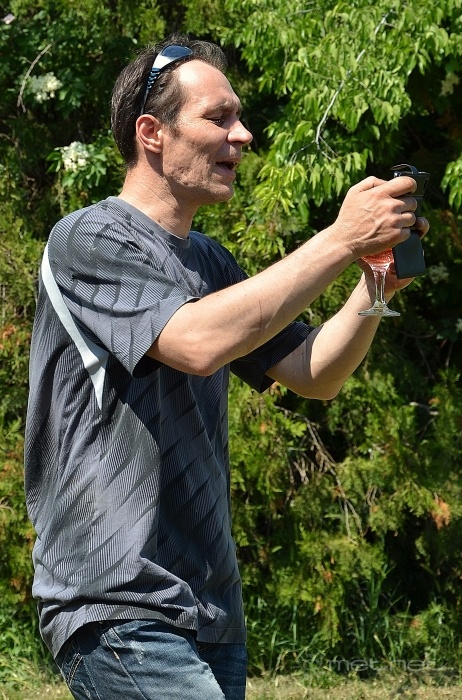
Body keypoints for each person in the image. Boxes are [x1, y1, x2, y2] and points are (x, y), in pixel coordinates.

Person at [24, 32, 428, 700]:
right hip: (117, 599)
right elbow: (196, 343)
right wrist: (339, 238)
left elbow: (314, 374)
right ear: (152, 133)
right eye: (219, 118)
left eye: (239, 118)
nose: (243, 135)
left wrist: (376, 283)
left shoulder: (209, 261)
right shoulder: (88, 238)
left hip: (210, 610)